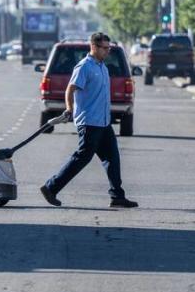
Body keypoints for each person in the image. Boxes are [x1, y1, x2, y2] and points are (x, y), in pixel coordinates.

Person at [41, 32, 138, 208]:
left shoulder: (103, 67)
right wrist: (70, 109)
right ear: (94, 47)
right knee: (82, 157)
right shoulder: (84, 67)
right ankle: (51, 187)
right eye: (105, 48)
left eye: (109, 48)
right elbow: (70, 90)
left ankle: (117, 196)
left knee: (112, 158)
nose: (107, 51)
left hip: (103, 121)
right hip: (89, 122)